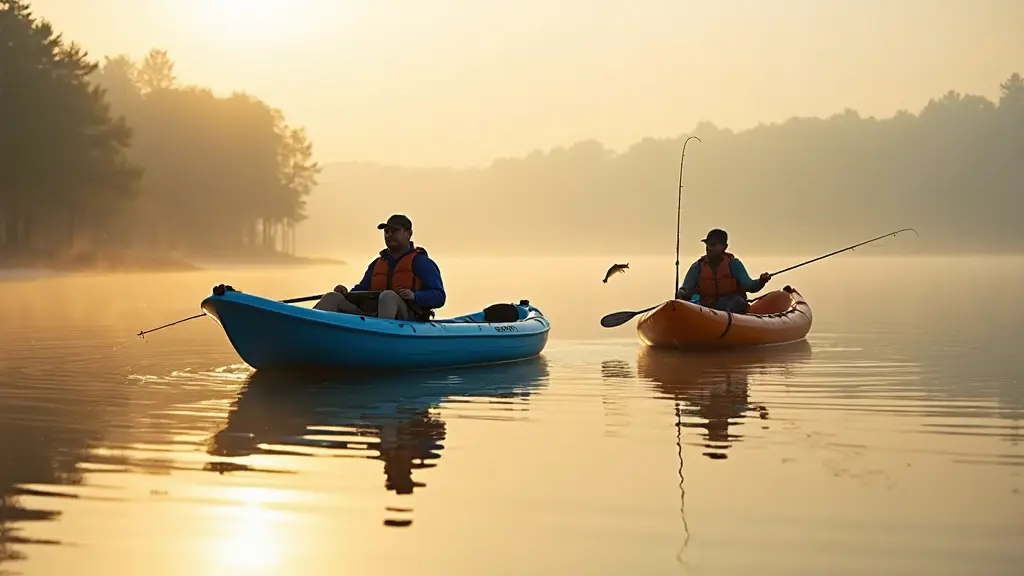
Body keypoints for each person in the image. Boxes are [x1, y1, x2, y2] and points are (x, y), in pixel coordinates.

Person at [313, 214, 446, 321]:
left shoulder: (421, 262)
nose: (389, 235)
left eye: (394, 231)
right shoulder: (377, 264)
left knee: (388, 296)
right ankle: (309, 328)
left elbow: (439, 296)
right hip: (372, 318)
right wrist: (346, 293)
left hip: (407, 320)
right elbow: (362, 291)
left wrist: (414, 296)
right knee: (332, 297)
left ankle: (381, 339)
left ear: (408, 233)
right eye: (386, 231)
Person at [675, 228, 772, 314]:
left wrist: (761, 281)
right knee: (694, 301)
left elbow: (749, 285)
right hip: (707, 307)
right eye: (707, 244)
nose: (709, 248)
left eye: (713, 245)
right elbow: (687, 288)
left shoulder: (733, 264)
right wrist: (681, 293)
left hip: (731, 304)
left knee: (736, 302)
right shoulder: (698, 266)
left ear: (724, 247)